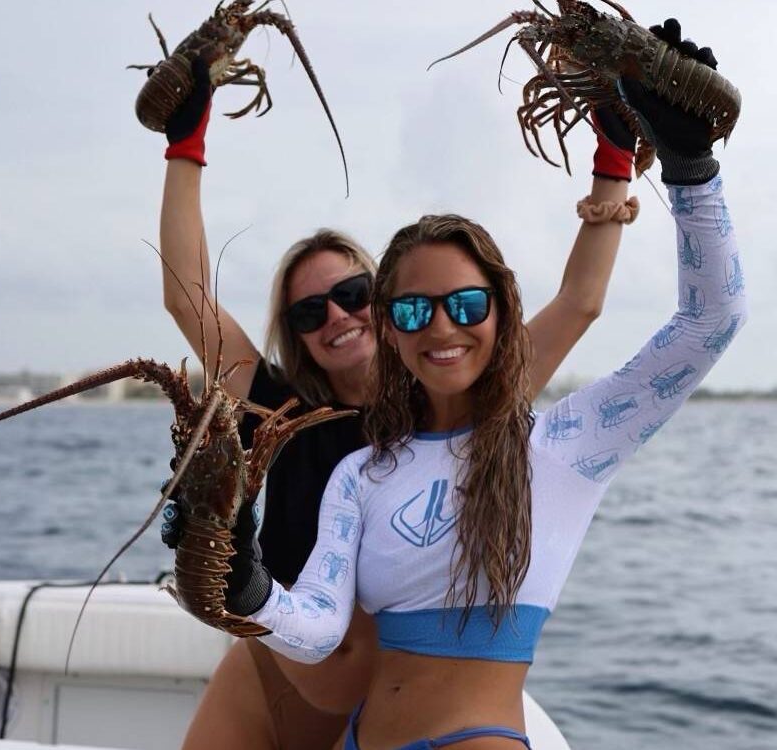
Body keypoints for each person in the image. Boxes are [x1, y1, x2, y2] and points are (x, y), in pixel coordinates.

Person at [216, 20, 747, 750]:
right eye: (414, 310)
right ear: (390, 330)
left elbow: (709, 321)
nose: (442, 329)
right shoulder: (360, 474)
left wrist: (691, 167)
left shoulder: (564, 444)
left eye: (466, 306)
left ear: (501, 312)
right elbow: (314, 630)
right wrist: (244, 581)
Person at [158, 45, 639, 750]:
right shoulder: (272, 405)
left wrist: (614, 158)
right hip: (266, 673)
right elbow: (185, 295)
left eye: (352, 295)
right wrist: (185, 143)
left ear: (386, 304)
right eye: (308, 312)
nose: (336, 318)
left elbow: (580, 301)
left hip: (372, 712)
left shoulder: (461, 398)